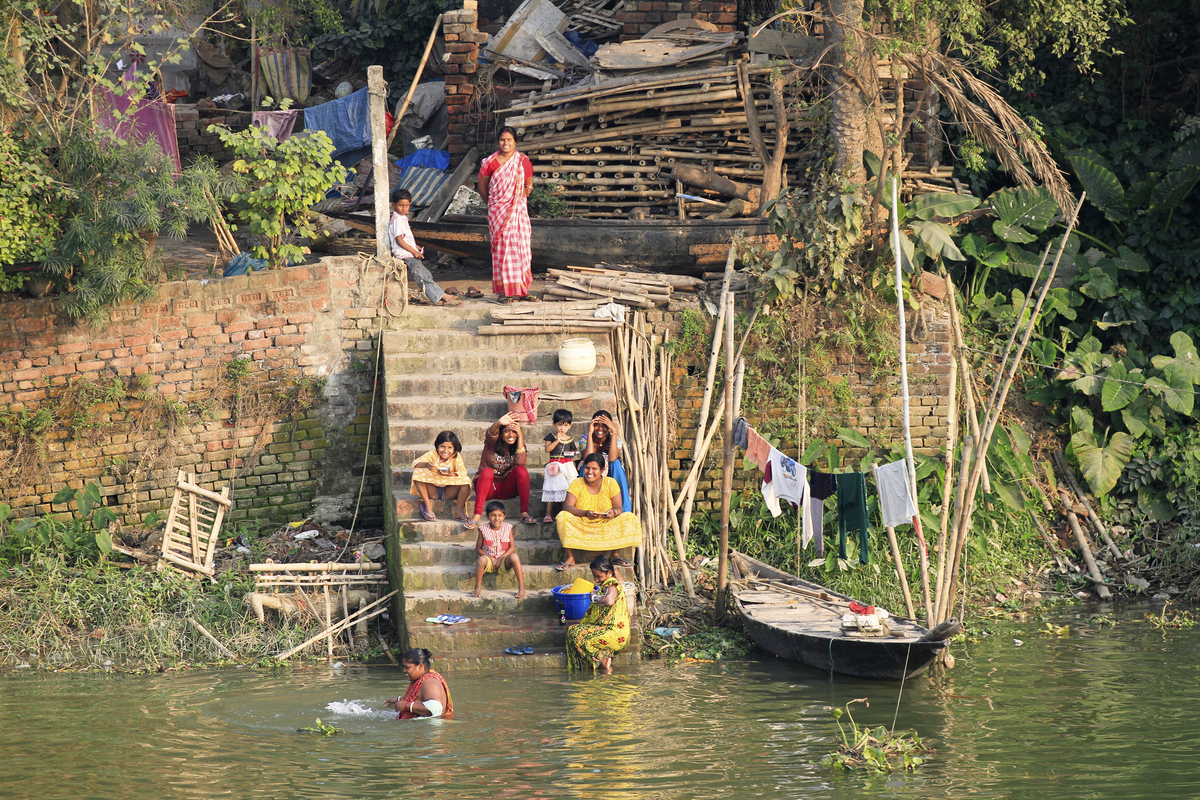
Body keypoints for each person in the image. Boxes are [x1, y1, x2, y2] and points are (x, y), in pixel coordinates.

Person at [555, 453, 641, 571]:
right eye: (587, 468)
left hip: (606, 524)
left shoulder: (611, 483)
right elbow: (567, 506)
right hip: (582, 524)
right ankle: (570, 557)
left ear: (602, 470)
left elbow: (619, 508)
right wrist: (585, 513)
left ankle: (615, 554)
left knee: (629, 517)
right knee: (562, 516)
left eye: (594, 469)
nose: (590, 472)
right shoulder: (577, 483)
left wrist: (613, 512)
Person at [477, 126, 533, 301]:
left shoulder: (522, 161)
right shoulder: (491, 162)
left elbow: (528, 184)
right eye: (502, 140)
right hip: (497, 212)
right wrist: (493, 205)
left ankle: (521, 290)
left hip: (518, 212)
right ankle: (505, 291)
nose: (506, 143)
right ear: (498, 141)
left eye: (509, 140)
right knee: (503, 250)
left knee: (520, 248)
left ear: (515, 142)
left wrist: (520, 197)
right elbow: (482, 187)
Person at [388, 188, 457, 306]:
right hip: (406, 254)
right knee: (422, 276)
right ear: (393, 205)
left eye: (407, 205)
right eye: (401, 205)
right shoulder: (397, 220)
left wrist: (416, 247)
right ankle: (441, 296)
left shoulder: (402, 218)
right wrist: (414, 252)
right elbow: (399, 240)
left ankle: (440, 295)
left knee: (425, 275)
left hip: (409, 252)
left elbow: (405, 238)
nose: (404, 209)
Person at [466, 413, 534, 529]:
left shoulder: (519, 446)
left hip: (505, 489)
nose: (510, 435)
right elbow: (491, 433)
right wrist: (498, 423)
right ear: (501, 434)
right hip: (487, 487)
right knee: (487, 471)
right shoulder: (491, 444)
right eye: (506, 431)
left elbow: (521, 463)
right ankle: (477, 515)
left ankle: (524, 512)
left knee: (521, 470)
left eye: (514, 432)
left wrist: (520, 435)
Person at [565, 555, 630, 674]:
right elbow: (621, 581)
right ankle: (604, 662)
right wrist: (615, 570)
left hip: (613, 633)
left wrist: (594, 597)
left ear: (608, 573)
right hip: (614, 632)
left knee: (575, 634)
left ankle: (603, 655)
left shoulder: (611, 584)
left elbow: (608, 600)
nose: (596, 580)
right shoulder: (614, 582)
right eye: (594, 576)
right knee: (573, 630)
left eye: (599, 576)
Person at [410, 430, 472, 522]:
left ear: (454, 448)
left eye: (449, 447)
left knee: (467, 481)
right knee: (417, 473)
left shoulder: (456, 456)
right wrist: (427, 465)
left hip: (449, 492)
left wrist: (451, 474)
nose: (445, 451)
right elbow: (415, 463)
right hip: (432, 490)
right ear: (437, 446)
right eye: (442, 446)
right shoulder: (432, 454)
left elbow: (463, 472)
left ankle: (458, 511)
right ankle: (427, 506)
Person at [472, 500, 526, 598]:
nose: (497, 518)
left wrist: (501, 558)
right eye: (493, 515)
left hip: (503, 561)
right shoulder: (483, 529)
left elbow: (512, 547)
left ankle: (521, 587)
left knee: (514, 556)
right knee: (481, 560)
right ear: (487, 516)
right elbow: (478, 549)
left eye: (499, 515)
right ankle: (477, 587)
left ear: (504, 516)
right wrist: (491, 558)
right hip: (489, 560)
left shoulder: (508, 528)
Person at [580, 410, 630, 514]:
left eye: (604, 425)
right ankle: (583, 507)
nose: (600, 429)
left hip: (610, 470)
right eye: (597, 425)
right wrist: (590, 433)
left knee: (615, 464)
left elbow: (612, 457)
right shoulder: (585, 438)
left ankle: (624, 509)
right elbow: (588, 458)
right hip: (592, 470)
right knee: (586, 466)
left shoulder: (616, 438)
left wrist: (614, 431)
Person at [387, 647, 454, 719]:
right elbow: (420, 700)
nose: (404, 670)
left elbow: (435, 708)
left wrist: (406, 705)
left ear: (420, 666)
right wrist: (400, 700)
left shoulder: (429, 682)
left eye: (407, 667)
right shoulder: (420, 678)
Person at [541, 408, 579, 523]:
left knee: (567, 489)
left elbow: (574, 452)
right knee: (552, 489)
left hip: (567, 466)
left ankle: (565, 513)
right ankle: (548, 514)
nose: (562, 427)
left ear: (570, 426)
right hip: (555, 466)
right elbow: (548, 449)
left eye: (566, 425)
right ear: (554, 424)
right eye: (560, 424)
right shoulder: (551, 436)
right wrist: (557, 441)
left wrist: (571, 454)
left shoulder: (570, 439)